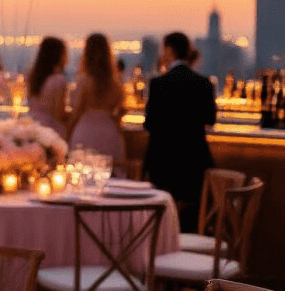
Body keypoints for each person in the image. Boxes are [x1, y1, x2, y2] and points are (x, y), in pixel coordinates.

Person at [143, 31, 217, 232]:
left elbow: (149, 124)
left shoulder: (158, 83)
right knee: (191, 220)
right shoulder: (204, 83)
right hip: (194, 165)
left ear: (169, 50)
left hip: (162, 165)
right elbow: (210, 119)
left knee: (158, 222)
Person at [67, 33, 125, 165]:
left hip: (85, 133)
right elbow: (118, 113)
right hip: (109, 133)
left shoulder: (84, 81)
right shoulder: (116, 84)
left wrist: (67, 135)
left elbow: (76, 112)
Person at [27, 37, 69, 136]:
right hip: (52, 131)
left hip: (34, 128)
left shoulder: (33, 78)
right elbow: (60, 114)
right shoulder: (58, 80)